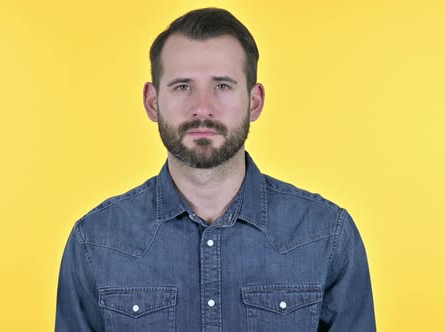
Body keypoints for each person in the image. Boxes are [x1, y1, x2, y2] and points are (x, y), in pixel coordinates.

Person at [56, 7, 376, 332]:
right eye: (182, 86)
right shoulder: (95, 241)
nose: (202, 108)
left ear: (255, 101)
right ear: (153, 102)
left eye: (222, 86)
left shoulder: (326, 235)